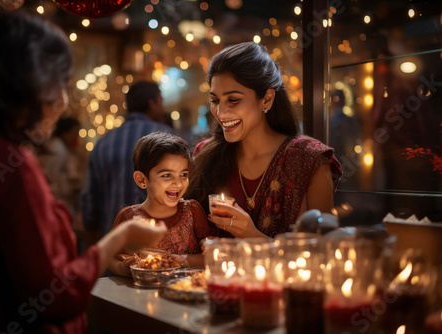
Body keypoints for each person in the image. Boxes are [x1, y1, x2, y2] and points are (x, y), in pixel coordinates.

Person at [0, 10, 167, 333]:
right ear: (29, 84)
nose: (64, 100)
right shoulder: (7, 162)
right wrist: (122, 236)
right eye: (61, 83)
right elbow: (55, 296)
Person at [185, 41, 343, 238]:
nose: (221, 112)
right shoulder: (204, 155)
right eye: (215, 100)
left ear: (267, 99)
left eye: (233, 100)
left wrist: (251, 235)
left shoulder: (309, 160)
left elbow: (321, 255)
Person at [108, 131, 216, 276]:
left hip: (185, 292)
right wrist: (122, 267)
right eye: (167, 175)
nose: (178, 183)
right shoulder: (129, 218)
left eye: (183, 175)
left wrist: (185, 260)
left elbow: (212, 257)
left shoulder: (193, 211)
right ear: (142, 180)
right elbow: (111, 257)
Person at [81, 81, 176, 239]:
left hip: (114, 247)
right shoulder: (170, 138)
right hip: (161, 247)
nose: (163, 108)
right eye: (161, 103)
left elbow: (90, 202)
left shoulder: (104, 143)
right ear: (152, 103)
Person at [38, 116, 84, 217]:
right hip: (57, 202)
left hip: (63, 201)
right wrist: (70, 181)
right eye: (73, 132)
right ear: (64, 132)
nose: (75, 136)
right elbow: (50, 177)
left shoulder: (63, 147)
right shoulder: (58, 148)